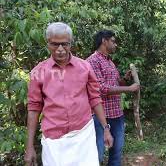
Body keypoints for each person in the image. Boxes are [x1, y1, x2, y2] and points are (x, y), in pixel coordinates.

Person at [24, 22, 113, 166]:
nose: (60, 49)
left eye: (65, 44)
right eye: (55, 44)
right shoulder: (38, 72)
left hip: (84, 135)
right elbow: (34, 109)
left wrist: (105, 129)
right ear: (48, 44)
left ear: (70, 44)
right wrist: (29, 147)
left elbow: (95, 99)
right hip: (54, 141)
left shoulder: (85, 67)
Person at [86, 30, 140, 165]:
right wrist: (129, 89)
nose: (115, 45)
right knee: (97, 155)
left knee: (116, 153)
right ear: (104, 41)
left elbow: (116, 84)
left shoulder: (110, 62)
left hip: (117, 114)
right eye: (113, 41)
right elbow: (101, 88)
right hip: (100, 116)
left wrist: (125, 79)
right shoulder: (92, 61)